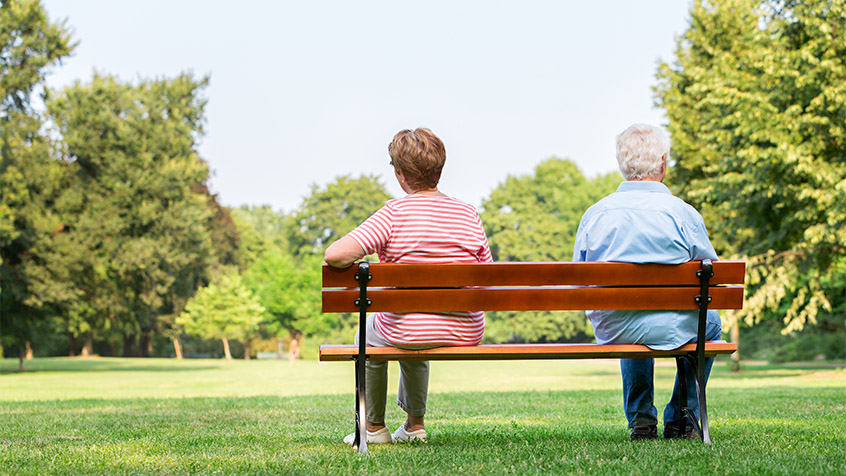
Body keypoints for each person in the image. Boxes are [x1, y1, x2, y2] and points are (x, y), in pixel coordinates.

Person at [324, 128, 493, 445]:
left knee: (372, 330)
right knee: (414, 320)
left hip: (406, 329)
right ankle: (415, 426)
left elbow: (335, 255)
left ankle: (373, 428)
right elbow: (488, 275)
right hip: (466, 329)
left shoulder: (393, 214)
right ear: (439, 170)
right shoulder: (469, 214)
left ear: (401, 175)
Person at [572, 123, 722, 441]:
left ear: (622, 163)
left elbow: (579, 281)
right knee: (710, 323)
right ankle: (684, 415)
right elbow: (713, 278)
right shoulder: (684, 215)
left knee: (628, 312)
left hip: (618, 326)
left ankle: (641, 419)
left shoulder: (596, 215)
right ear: (663, 162)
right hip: (676, 323)